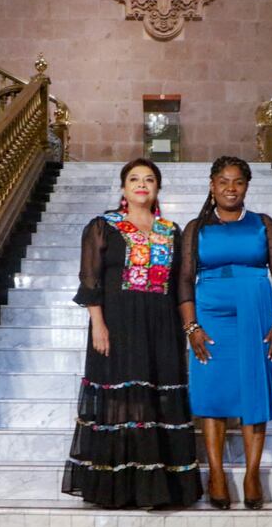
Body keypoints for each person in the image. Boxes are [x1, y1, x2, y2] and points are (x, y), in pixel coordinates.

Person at [62, 158, 203, 508]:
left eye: (149, 179)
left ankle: (158, 490)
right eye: (135, 179)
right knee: (122, 401)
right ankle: (117, 489)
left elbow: (181, 283)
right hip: (118, 325)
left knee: (157, 400)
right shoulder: (103, 226)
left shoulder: (171, 231)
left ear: (158, 188)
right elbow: (90, 280)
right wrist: (98, 324)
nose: (142, 184)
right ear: (124, 188)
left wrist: (186, 327)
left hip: (162, 326)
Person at [178, 156, 272, 510]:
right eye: (224, 181)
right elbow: (184, 279)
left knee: (254, 388)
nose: (231, 188)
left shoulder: (263, 224)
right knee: (211, 391)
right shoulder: (196, 228)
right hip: (210, 313)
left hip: (256, 312)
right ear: (212, 185)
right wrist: (191, 326)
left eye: (238, 182)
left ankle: (252, 474)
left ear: (246, 186)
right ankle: (215, 474)